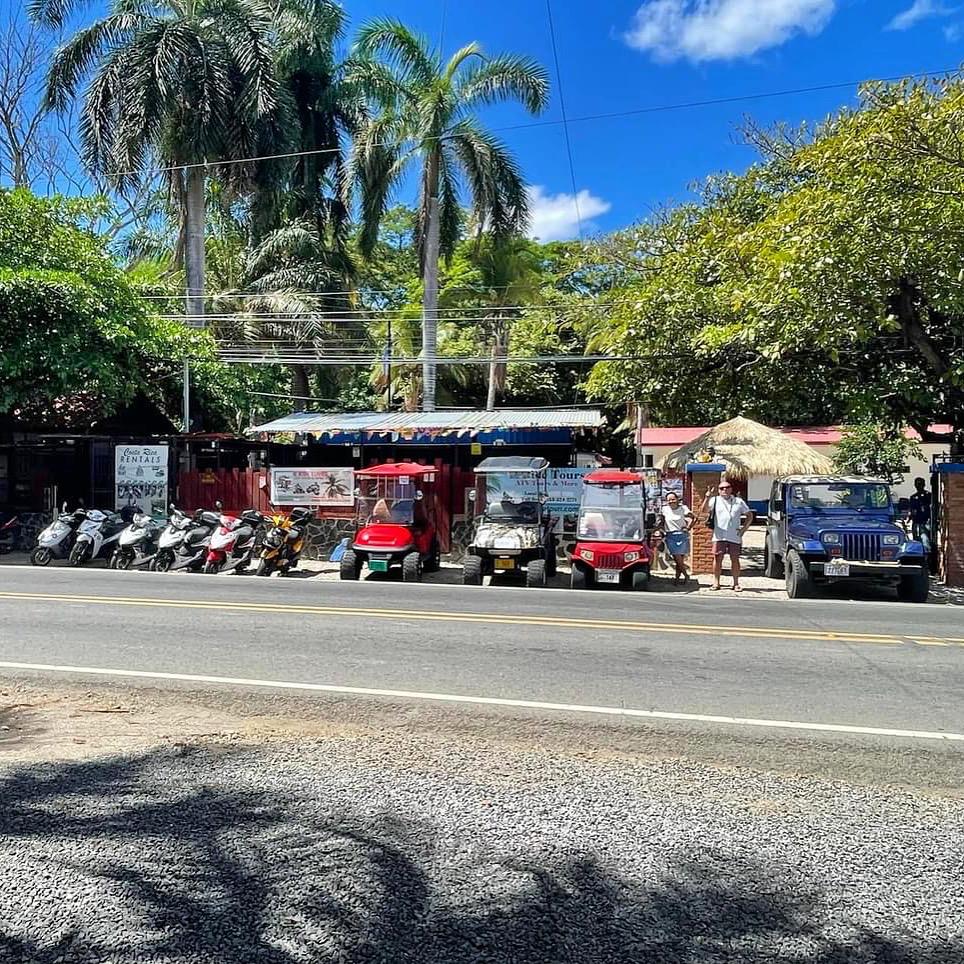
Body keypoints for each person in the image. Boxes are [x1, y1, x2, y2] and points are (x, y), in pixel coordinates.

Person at [702, 481, 754, 592]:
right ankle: (716, 582)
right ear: (719, 490)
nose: (724, 490)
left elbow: (749, 515)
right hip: (719, 535)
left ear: (731, 489)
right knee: (717, 558)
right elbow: (704, 510)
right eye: (721, 488)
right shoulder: (715, 500)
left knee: (735, 559)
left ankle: (736, 583)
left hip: (734, 536)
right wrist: (707, 497)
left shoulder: (738, 501)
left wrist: (744, 528)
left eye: (727, 487)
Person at [660, 492, 694, 584]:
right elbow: (661, 521)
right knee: (677, 558)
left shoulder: (683, 508)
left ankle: (677, 579)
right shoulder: (664, 509)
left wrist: (688, 528)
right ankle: (686, 576)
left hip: (682, 535)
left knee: (680, 560)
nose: (671, 501)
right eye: (669, 500)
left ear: (677, 499)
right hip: (671, 536)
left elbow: (693, 518)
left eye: (673, 499)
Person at [909, 477, 932, 553]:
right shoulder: (913, 497)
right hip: (916, 522)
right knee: (916, 540)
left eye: (920, 484)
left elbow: (932, 508)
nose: (918, 486)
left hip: (926, 521)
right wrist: (909, 518)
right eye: (917, 484)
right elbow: (912, 510)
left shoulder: (928, 495)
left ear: (924, 484)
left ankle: (927, 557)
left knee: (926, 540)